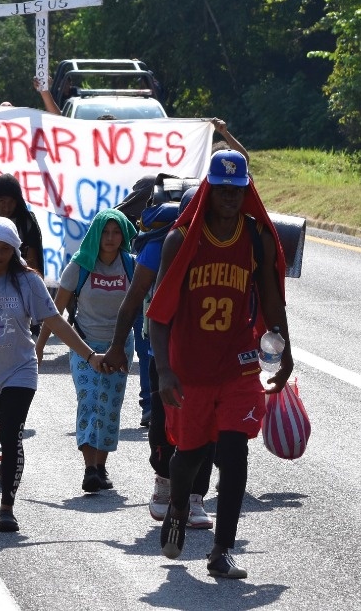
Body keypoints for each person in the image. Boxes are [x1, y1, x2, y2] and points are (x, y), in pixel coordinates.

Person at [148, 150, 292, 579]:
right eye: (223, 190)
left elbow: (271, 299)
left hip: (239, 365)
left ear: (246, 190)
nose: (230, 197)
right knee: (191, 455)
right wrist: (164, 372)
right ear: (210, 191)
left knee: (233, 451)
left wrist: (285, 350)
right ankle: (177, 502)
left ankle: (221, 550)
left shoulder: (256, 238)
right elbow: (159, 313)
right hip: (191, 366)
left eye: (237, 190)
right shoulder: (181, 239)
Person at [0, 217, 105, 532]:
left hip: (19, 368)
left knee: (11, 435)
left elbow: (56, 321)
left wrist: (88, 355)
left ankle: (7, 506)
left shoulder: (28, 282)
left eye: (5, 249)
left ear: (14, 250)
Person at [102, 185, 215, 529]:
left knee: (206, 424)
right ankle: (164, 483)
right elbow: (135, 296)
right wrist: (117, 345)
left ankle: (196, 496)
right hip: (162, 351)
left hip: (211, 354)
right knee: (164, 422)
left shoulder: (227, 247)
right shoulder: (160, 247)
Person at [36, 209, 136, 493]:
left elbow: (147, 305)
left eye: (116, 233)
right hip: (84, 345)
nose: (111, 238)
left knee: (110, 408)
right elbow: (53, 312)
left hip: (119, 347)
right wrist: (40, 346)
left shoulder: (131, 265)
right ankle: (89, 468)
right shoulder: (79, 266)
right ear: (96, 234)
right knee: (90, 400)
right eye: (105, 232)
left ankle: (101, 466)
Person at [0, 173, 44, 276]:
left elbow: (32, 263)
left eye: (11, 202)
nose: (6, 207)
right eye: (2, 201)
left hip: (17, 278)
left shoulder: (26, 223)